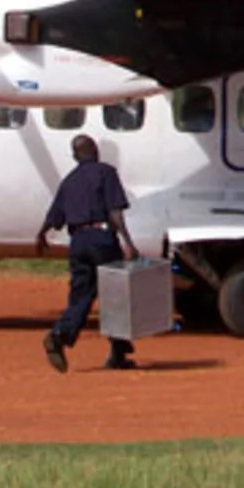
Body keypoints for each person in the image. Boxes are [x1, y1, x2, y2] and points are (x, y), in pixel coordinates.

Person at [36, 135, 141, 373]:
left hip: (78, 242)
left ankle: (60, 335)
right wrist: (128, 242)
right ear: (95, 151)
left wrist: (41, 234)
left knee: (81, 295)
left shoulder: (69, 181)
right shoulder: (106, 172)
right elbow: (115, 213)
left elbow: (55, 215)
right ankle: (118, 351)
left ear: (74, 156)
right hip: (101, 238)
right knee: (115, 294)